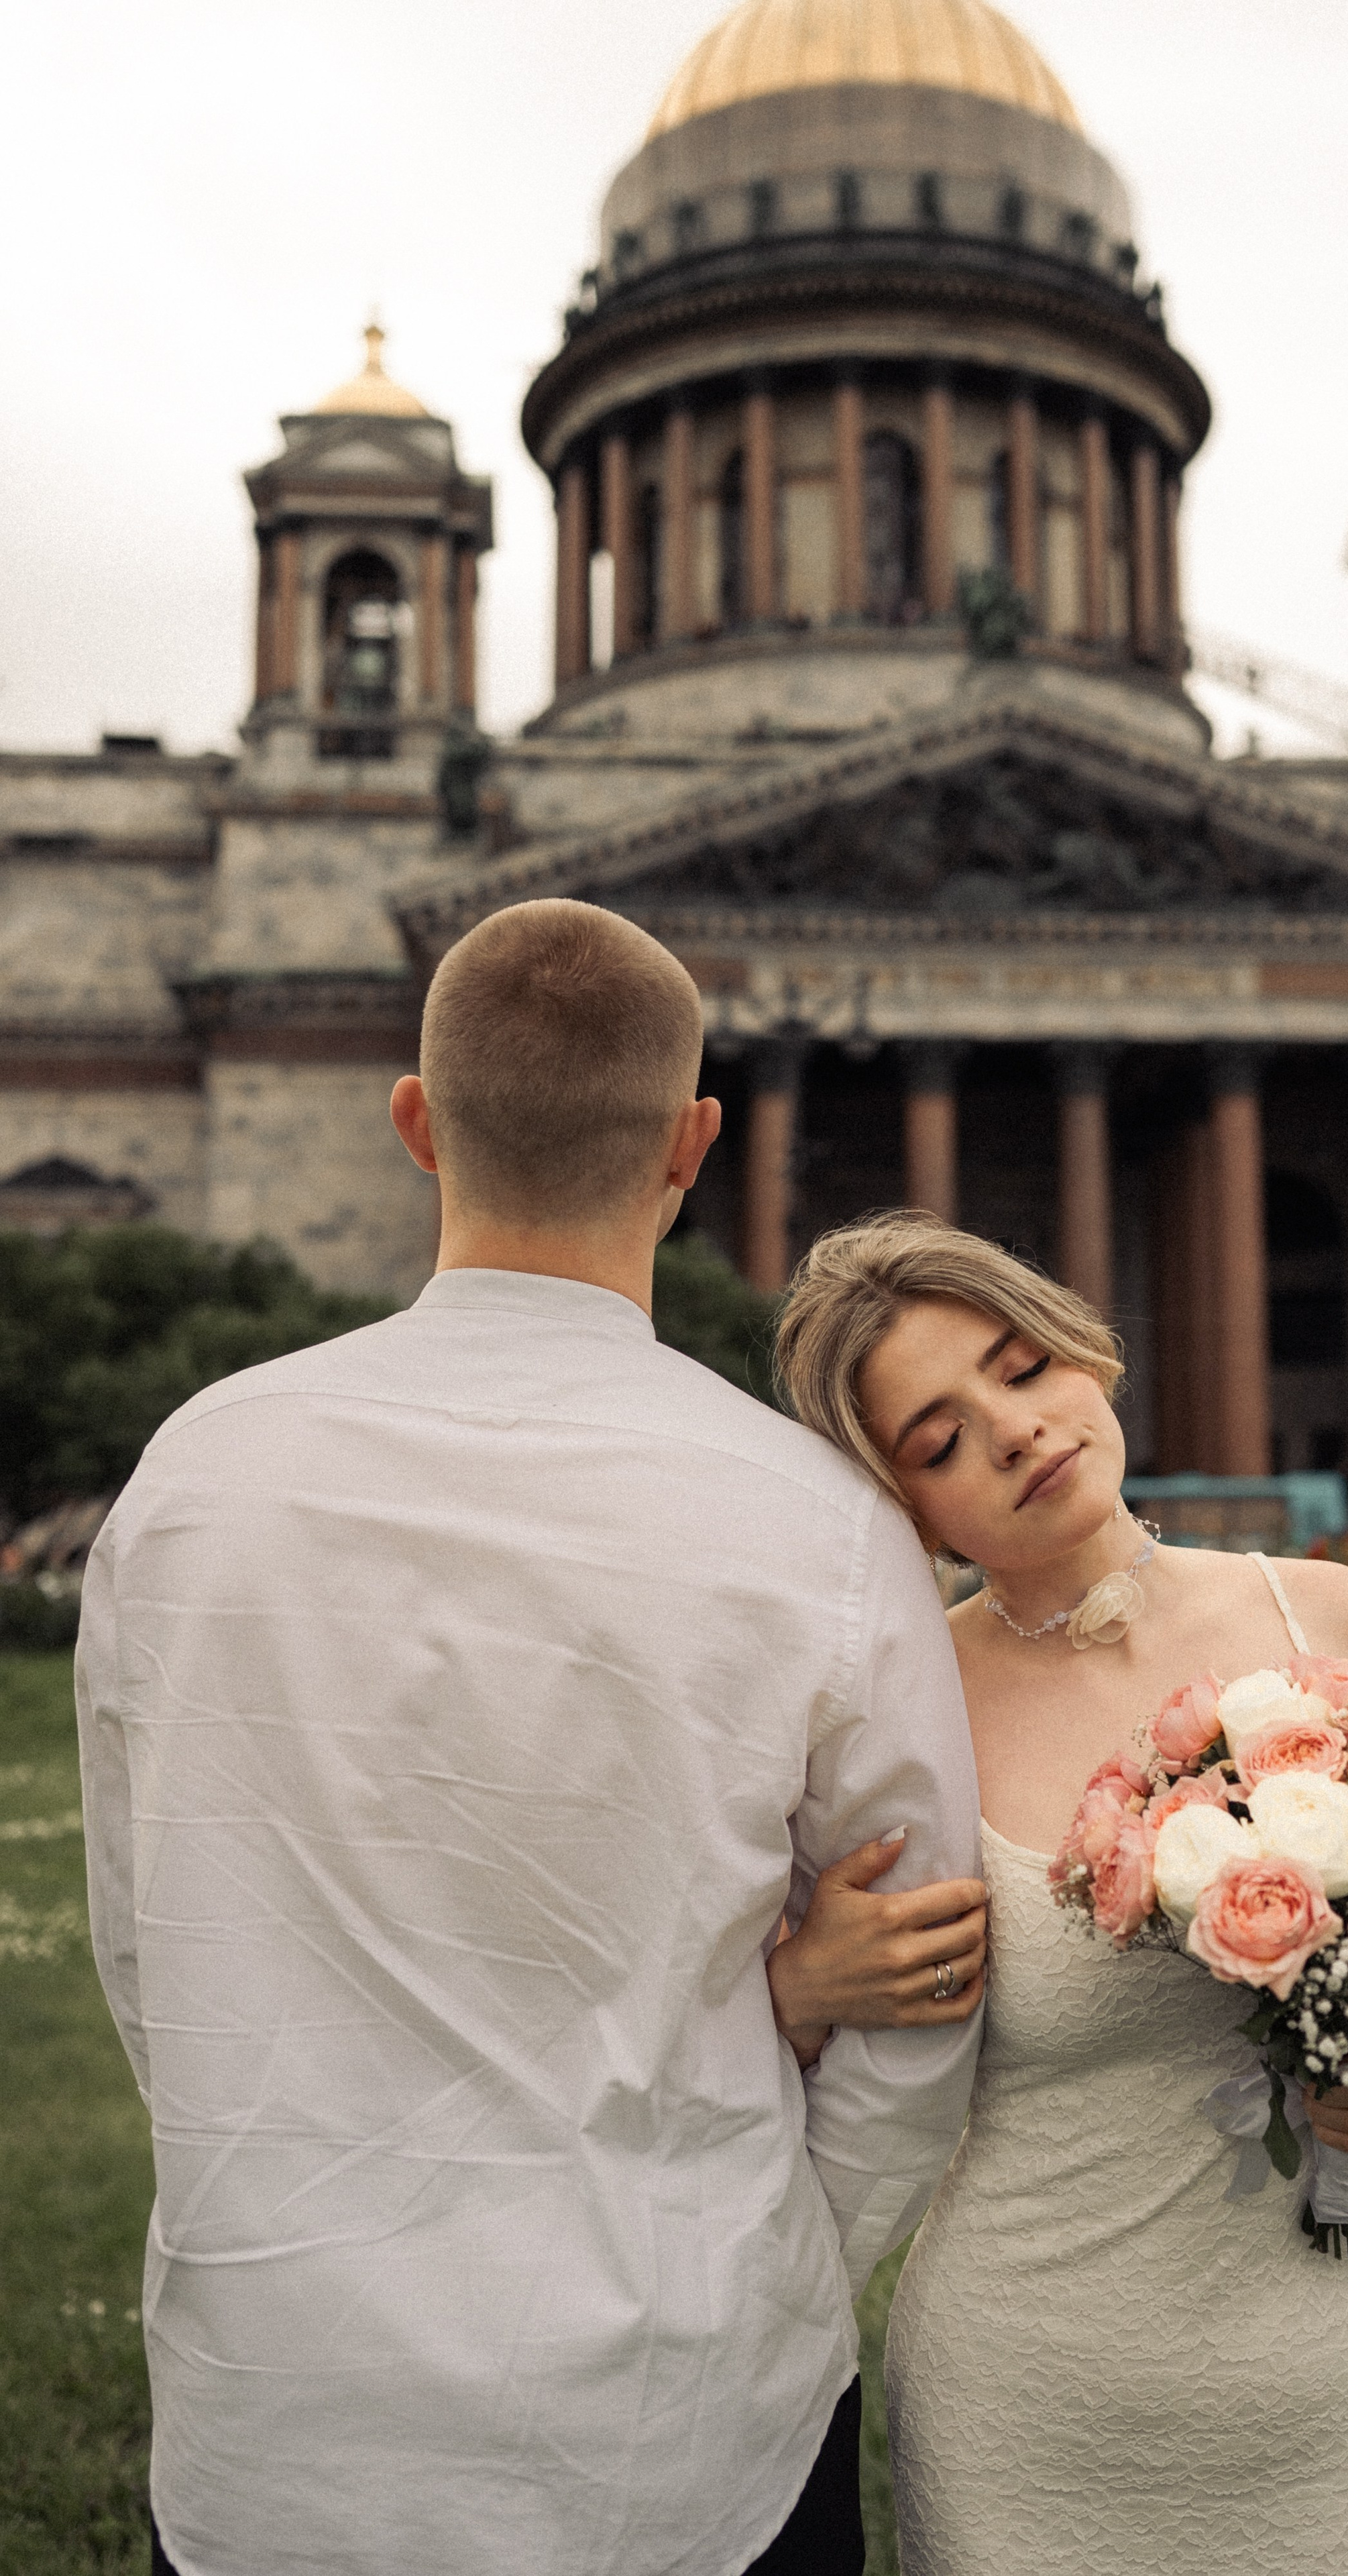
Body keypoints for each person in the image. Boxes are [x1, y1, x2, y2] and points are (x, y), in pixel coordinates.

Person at [76, 901, 989, 2576]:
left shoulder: (194, 1478)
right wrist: (768, 2256)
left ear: (415, 1123)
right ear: (693, 1144)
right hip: (687, 2425)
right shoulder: (819, 1522)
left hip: (279, 2417)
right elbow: (928, 1982)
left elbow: (151, 1945)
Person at [767, 1212, 1348, 2576]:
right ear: (899, 1503)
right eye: (939, 1439)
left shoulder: (1324, 1616)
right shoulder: (893, 1715)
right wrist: (798, 1988)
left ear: (1085, 1354)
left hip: (1332, 2378)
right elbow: (762, 2049)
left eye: (1020, 1368)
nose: (1014, 1431)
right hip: (1034, 2404)